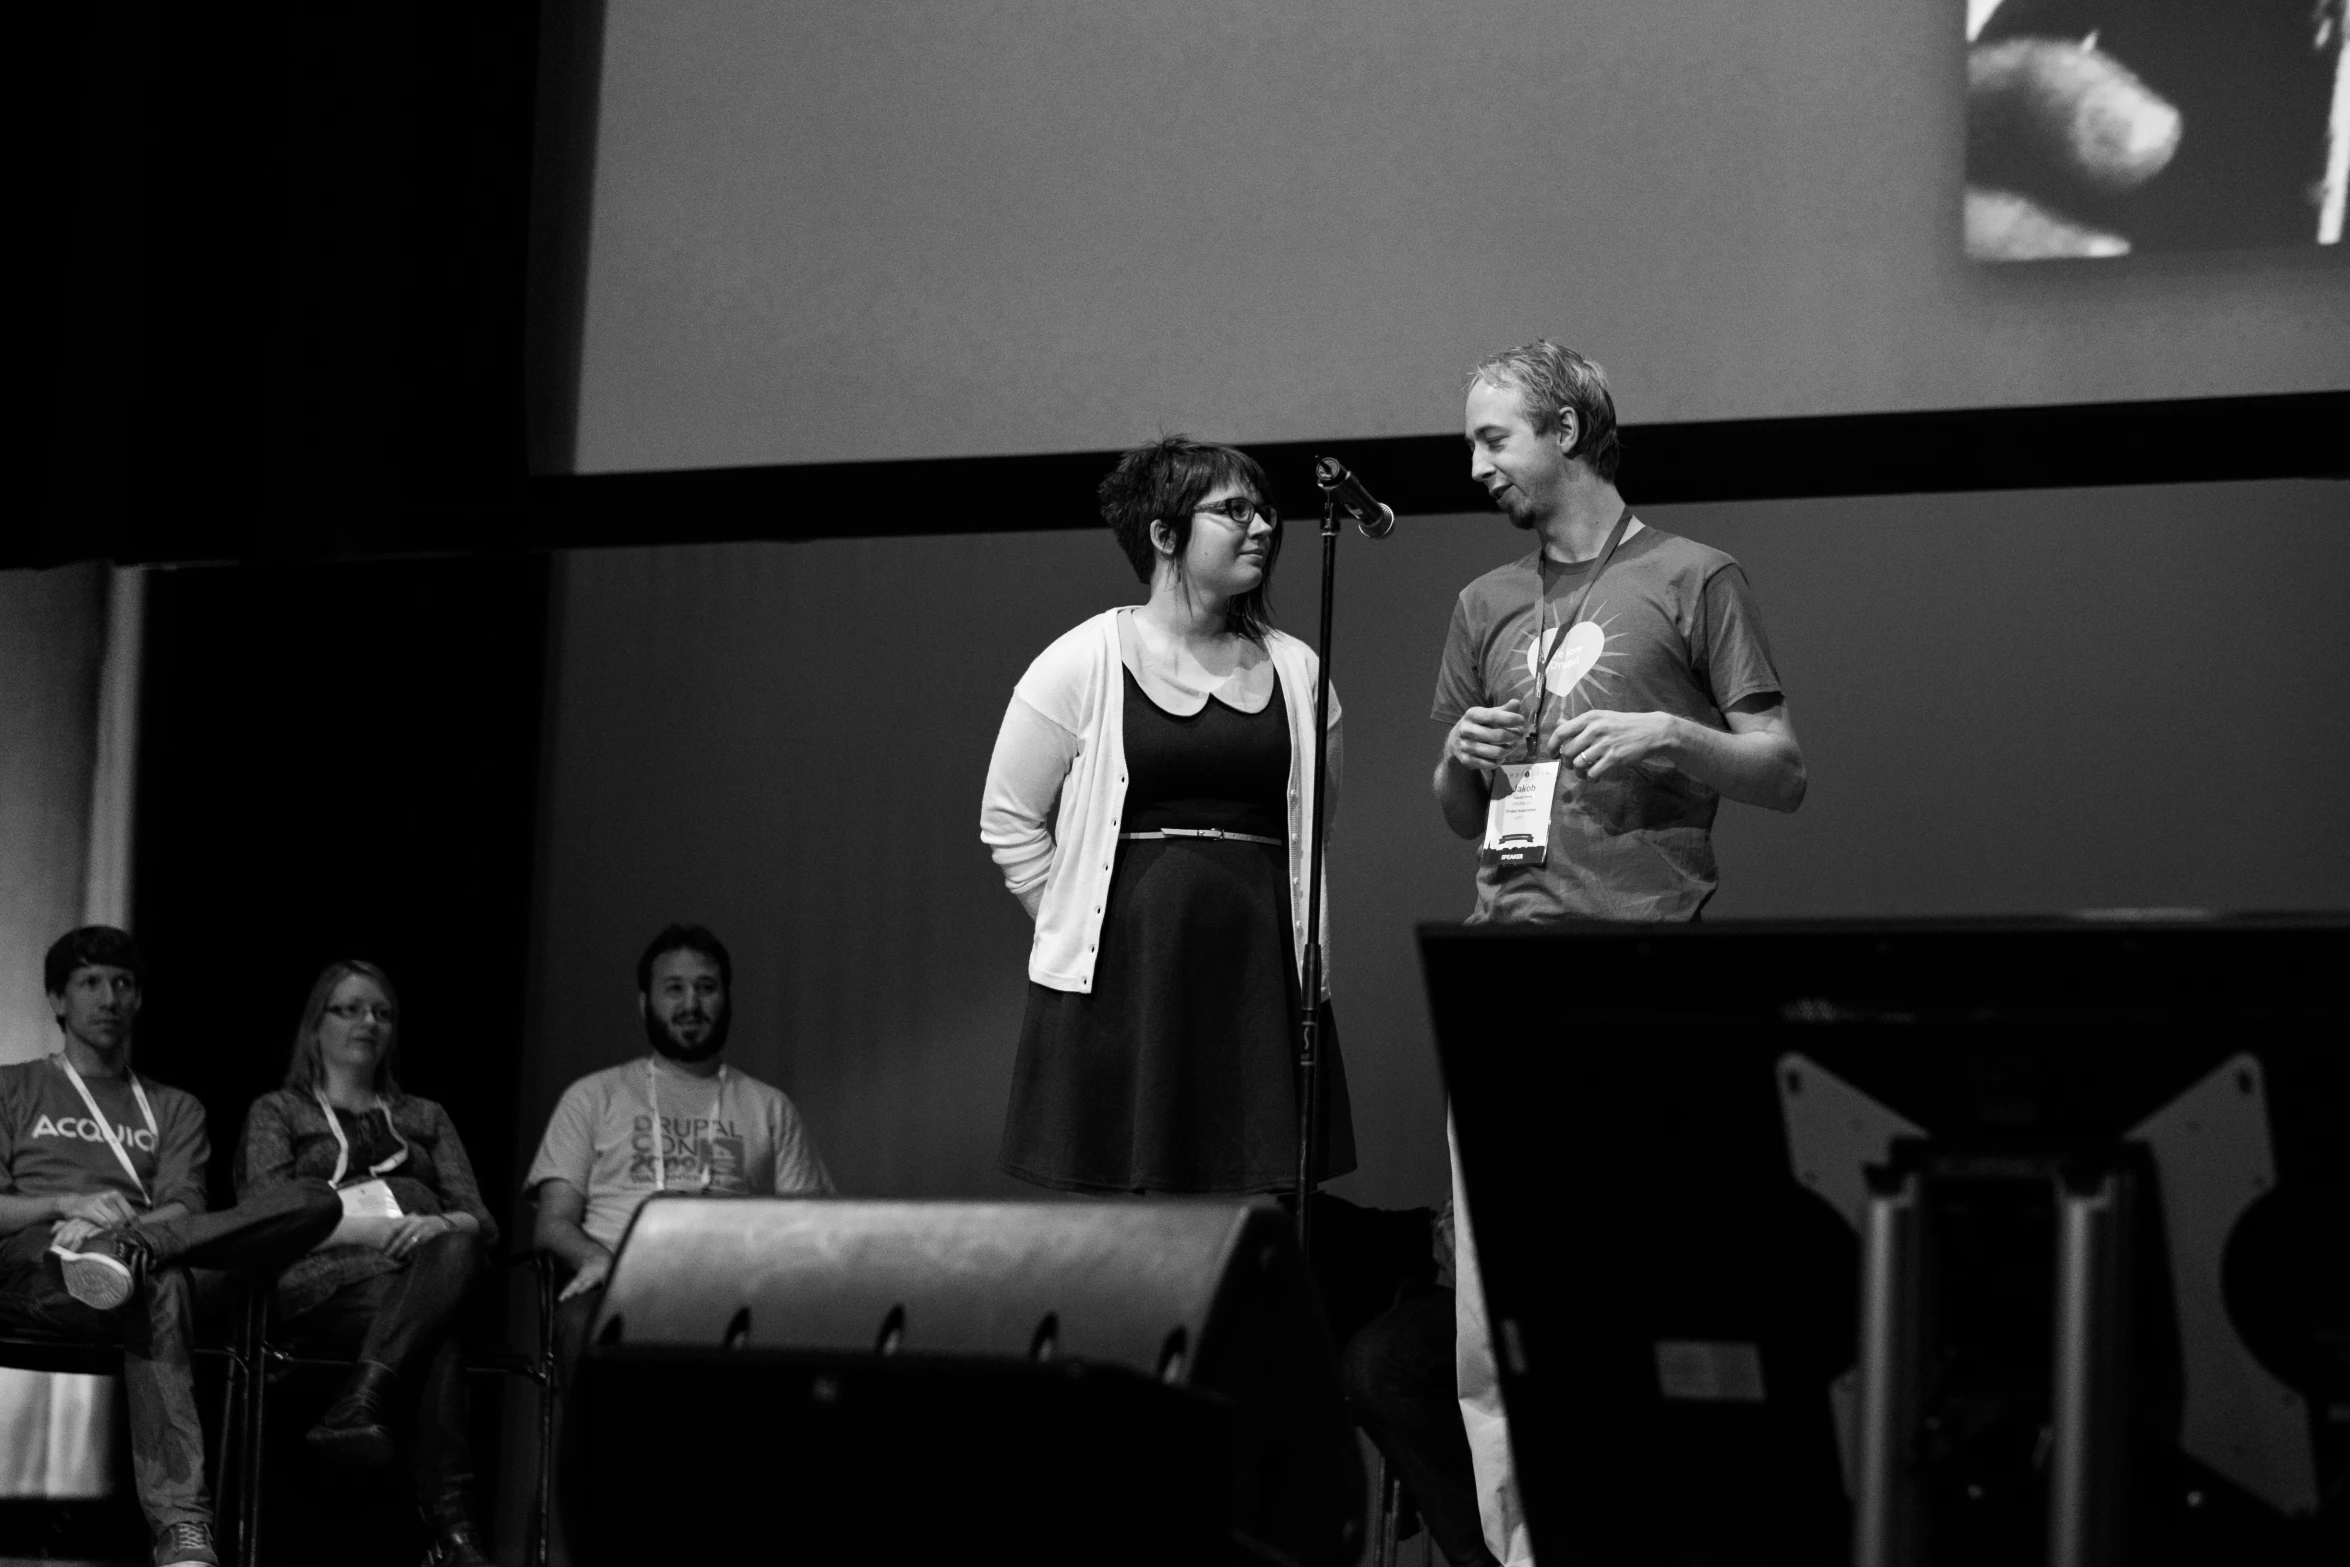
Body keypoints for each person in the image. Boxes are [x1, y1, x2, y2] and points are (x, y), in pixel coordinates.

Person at [1431, 342, 1806, 1563]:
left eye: (1494, 437)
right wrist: (1461, 761)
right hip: (1505, 969)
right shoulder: (1483, 604)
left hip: (1643, 969)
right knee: (1494, 1316)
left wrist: (1668, 734)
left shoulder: (1695, 576)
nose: (1474, 462)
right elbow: (1456, 809)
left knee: (1645, 1290)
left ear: (1569, 429)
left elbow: (1782, 771)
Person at [980, 435, 1354, 1197]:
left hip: (1257, 968)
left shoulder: (1298, 670)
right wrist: (1085, 923)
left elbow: (1315, 824)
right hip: (1134, 972)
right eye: (1235, 510)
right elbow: (1008, 818)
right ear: (1164, 534)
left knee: (1251, 1201)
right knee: (1139, 1209)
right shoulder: (1082, 660)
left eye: (1266, 512)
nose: (1263, 528)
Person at [0, 927, 341, 1567]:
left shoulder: (173, 1106)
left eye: (123, 984)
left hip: (148, 1257)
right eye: (90, 983)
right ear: (57, 1000)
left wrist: (130, 1235)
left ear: (139, 999)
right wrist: (66, 1205)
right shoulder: (12, 1088)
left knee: (315, 1199)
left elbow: (186, 1208)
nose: (109, 998)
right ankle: (182, 1529)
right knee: (166, 1281)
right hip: (44, 1266)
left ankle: (127, 1257)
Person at [524, 924, 831, 1563]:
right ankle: (581, 1544)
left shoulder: (768, 1106)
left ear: (727, 998)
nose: (691, 1003)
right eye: (674, 989)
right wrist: (601, 1261)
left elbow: (813, 1226)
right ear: (645, 1003)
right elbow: (552, 1224)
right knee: (584, 1330)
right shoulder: (593, 1097)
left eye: (706, 987)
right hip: (612, 1283)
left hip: (731, 1287)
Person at [234, 959, 498, 1567]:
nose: (368, 1022)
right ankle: (455, 1537)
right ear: (315, 1026)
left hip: (425, 1270)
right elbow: (262, 1218)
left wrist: (436, 1223)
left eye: (382, 1012)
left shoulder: (424, 1116)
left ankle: (362, 1398)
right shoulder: (280, 1112)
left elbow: (479, 1220)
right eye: (349, 1009)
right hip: (322, 1286)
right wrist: (373, 1229)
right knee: (438, 1333)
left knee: (456, 1248)